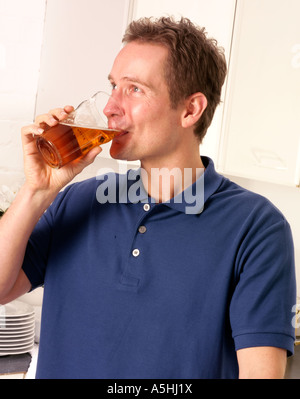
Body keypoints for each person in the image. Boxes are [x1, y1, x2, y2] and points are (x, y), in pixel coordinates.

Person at [0, 17, 296, 379]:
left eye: (135, 89)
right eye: (113, 86)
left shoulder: (256, 227)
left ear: (190, 110)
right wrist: (36, 191)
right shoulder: (78, 200)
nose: (110, 107)